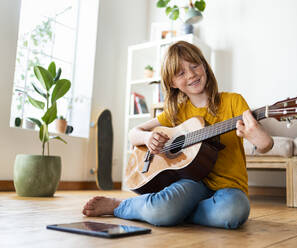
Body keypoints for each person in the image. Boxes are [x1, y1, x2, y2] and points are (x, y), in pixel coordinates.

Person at [82, 41, 274, 229]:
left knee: (233, 212)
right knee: (166, 209)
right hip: (191, 184)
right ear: (172, 83)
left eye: (195, 65)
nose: (191, 74)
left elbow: (265, 145)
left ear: (204, 66)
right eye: (181, 73)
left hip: (229, 189)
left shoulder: (233, 101)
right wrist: (148, 138)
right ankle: (121, 206)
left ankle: (168, 212)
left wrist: (260, 138)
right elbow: (134, 134)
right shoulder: (176, 113)